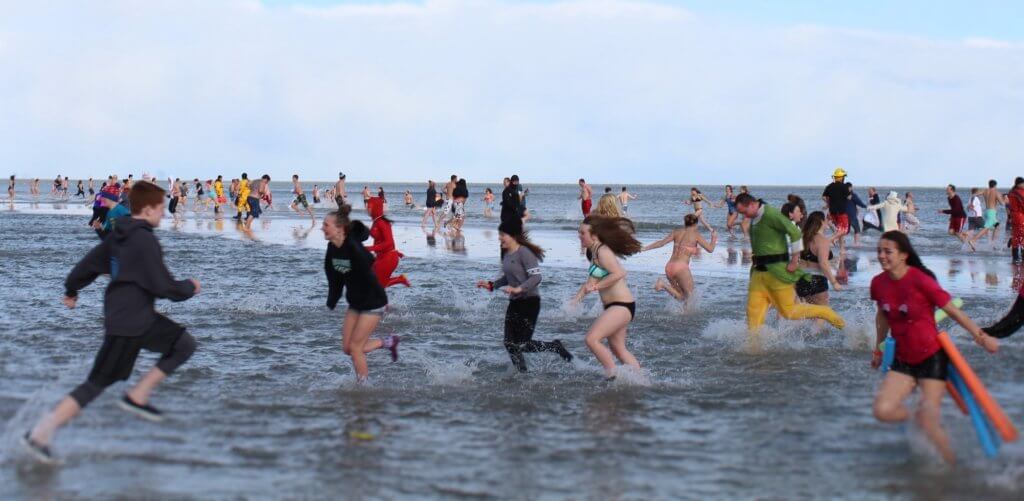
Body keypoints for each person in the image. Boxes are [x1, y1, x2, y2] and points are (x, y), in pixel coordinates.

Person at [21, 181, 200, 464]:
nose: (163, 215)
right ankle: (42, 433)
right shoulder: (145, 240)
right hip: (132, 322)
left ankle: (136, 395)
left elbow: (86, 266)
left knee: (182, 345)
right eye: (161, 209)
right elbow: (163, 286)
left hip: (128, 316)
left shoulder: (117, 236)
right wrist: (189, 286)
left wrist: (71, 290)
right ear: (149, 209)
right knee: (99, 382)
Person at [870, 231, 998, 464]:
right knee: (883, 410)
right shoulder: (878, 283)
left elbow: (953, 311)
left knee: (930, 422)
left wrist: (980, 336)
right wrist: (878, 349)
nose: (881, 256)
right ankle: (917, 419)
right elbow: (882, 317)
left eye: (887, 251)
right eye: (879, 250)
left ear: (903, 255)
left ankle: (952, 467)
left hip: (932, 357)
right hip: (903, 359)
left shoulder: (920, 280)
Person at [734, 193, 845, 334]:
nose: (744, 216)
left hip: (784, 273)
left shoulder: (774, 216)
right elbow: (759, 251)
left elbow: (796, 236)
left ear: (751, 204)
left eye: (744, 212)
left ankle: (819, 317)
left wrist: (793, 261)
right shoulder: (756, 220)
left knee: (790, 310)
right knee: (758, 314)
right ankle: (756, 346)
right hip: (767, 274)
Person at [476, 218, 573, 372]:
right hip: (515, 303)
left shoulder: (525, 253)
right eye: (499, 235)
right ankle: (522, 373)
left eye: (503, 235)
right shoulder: (507, 254)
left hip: (530, 303)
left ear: (513, 235)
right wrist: (491, 285)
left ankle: (554, 346)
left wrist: (519, 289)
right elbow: (508, 277)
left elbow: (536, 277)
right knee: (509, 343)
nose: (500, 238)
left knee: (522, 344)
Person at [323, 205, 400, 382]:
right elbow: (333, 274)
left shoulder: (354, 248)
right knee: (347, 348)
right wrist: (332, 300)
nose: (322, 228)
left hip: (373, 302)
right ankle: (388, 342)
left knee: (356, 349)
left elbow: (369, 261)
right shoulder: (332, 248)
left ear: (339, 228)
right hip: (355, 303)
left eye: (326, 225)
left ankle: (362, 390)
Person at [573, 215, 642, 379]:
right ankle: (640, 380)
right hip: (614, 306)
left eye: (582, 233)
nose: (579, 236)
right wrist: (575, 301)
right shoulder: (594, 252)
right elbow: (590, 281)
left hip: (622, 305)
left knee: (591, 339)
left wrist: (597, 286)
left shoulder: (603, 251)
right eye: (579, 233)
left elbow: (619, 273)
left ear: (594, 235)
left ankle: (612, 376)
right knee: (618, 348)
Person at [643, 214, 717, 303]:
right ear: (696, 224)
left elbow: (661, 243)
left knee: (682, 296)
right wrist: (714, 238)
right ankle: (663, 284)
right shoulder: (696, 235)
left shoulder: (676, 232)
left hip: (669, 267)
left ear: (685, 223)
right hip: (681, 268)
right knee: (690, 296)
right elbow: (710, 249)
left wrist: (645, 248)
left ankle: (684, 313)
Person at [796, 212, 843, 331]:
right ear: (821, 222)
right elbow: (823, 263)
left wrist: (835, 236)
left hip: (801, 279)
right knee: (823, 311)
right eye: (826, 220)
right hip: (816, 280)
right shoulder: (822, 240)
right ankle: (815, 337)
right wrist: (834, 282)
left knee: (811, 311)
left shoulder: (803, 237)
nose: (827, 222)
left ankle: (803, 336)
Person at [365, 197, 410, 288]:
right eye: (367, 206)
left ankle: (401, 279)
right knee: (370, 281)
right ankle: (401, 279)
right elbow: (380, 240)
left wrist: (369, 248)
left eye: (369, 206)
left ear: (376, 208)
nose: (366, 208)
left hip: (388, 258)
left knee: (378, 285)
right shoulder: (376, 221)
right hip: (382, 257)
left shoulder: (382, 222)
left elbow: (388, 242)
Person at [822, 168, 851, 252]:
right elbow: (849, 197)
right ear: (841, 177)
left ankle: (842, 250)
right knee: (844, 230)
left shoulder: (829, 186)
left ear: (835, 177)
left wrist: (829, 203)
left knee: (839, 230)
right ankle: (830, 239)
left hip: (832, 212)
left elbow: (823, 197)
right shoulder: (844, 186)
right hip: (841, 212)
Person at [969, 180, 1002, 248]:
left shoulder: (984, 191)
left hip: (987, 212)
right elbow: (1002, 203)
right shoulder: (995, 192)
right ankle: (973, 240)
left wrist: (973, 202)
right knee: (986, 228)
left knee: (997, 226)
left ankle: (993, 244)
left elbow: (974, 194)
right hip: (991, 213)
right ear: (995, 185)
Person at [939, 184, 971, 249]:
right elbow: (953, 208)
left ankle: (969, 247)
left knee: (958, 233)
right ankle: (965, 234)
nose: (946, 190)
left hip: (960, 217)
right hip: (954, 216)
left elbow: (955, 210)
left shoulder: (956, 198)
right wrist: (951, 217)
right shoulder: (949, 198)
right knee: (950, 232)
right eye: (946, 189)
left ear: (952, 190)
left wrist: (943, 211)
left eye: (948, 189)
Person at [1007, 177, 1024, 263]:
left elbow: (1008, 205)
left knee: (1016, 236)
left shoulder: (1011, 193)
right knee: (1022, 236)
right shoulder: (1020, 192)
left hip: (1013, 216)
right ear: (1019, 184)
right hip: (1020, 216)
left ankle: (1015, 257)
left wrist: (1009, 217)